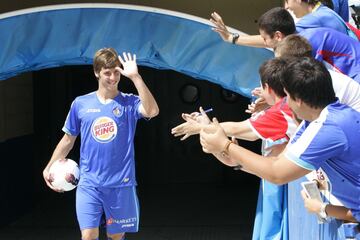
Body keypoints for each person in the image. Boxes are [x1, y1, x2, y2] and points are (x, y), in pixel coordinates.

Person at [199, 57, 360, 223]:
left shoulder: (327, 129)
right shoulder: (316, 121)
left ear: (298, 100)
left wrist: (225, 145)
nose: (286, 103)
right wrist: (235, 161)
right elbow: (277, 162)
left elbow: (278, 174)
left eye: (287, 96)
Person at [172, 58, 298, 240]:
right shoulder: (283, 106)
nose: (259, 92)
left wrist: (200, 128)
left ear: (268, 88)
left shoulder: (280, 111)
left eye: (262, 87)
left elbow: (241, 129)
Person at [42, 48, 159, 240]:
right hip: (89, 184)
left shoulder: (129, 102)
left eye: (116, 72)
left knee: (116, 236)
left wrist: (136, 77)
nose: (113, 77)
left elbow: (152, 110)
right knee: (88, 236)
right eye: (107, 73)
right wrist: (48, 167)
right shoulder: (80, 104)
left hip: (121, 184)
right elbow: (67, 140)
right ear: (97, 72)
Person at [211, 7, 360, 83]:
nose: (265, 43)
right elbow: (268, 41)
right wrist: (232, 38)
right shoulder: (298, 34)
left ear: (278, 35)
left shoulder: (307, 45)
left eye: (265, 38)